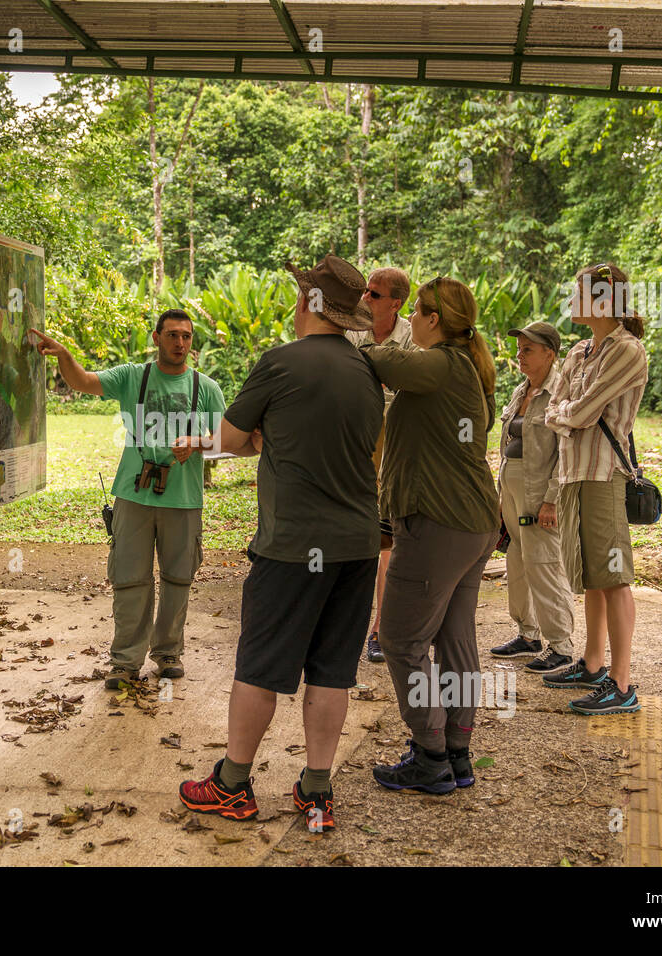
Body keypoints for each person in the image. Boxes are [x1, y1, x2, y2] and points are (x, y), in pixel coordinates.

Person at [176, 255, 383, 832]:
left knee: (261, 667)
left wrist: (215, 438)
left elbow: (236, 437)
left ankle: (232, 783)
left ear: (310, 306)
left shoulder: (281, 362)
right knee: (332, 671)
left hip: (293, 545)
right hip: (358, 543)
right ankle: (318, 789)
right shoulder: (367, 370)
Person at [31, 310, 226, 689]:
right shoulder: (132, 376)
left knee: (177, 580)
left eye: (186, 337)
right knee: (130, 579)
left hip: (184, 500)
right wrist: (65, 355)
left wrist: (199, 443)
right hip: (133, 495)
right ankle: (124, 661)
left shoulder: (207, 388)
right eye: (172, 335)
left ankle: (168, 653)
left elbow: (233, 440)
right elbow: (84, 381)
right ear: (156, 338)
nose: (180, 343)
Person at [363, 276, 501, 795]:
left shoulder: (443, 363)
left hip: (439, 524)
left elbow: (385, 361)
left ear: (434, 319)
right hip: (472, 524)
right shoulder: (464, 367)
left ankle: (430, 754)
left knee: (400, 639)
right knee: (454, 638)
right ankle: (458, 752)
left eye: (416, 312)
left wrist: (353, 336)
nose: (411, 322)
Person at [542, 263, 648, 715]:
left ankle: (621, 685)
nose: (571, 298)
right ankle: (592, 663)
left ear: (603, 300)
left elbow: (580, 413)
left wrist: (564, 412)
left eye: (579, 292)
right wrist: (565, 412)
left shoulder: (627, 350)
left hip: (604, 474)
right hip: (572, 473)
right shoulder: (580, 350)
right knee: (589, 576)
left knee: (614, 576)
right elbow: (554, 406)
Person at [490, 321, 577, 674]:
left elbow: (566, 451)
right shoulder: (521, 390)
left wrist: (552, 499)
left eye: (528, 349)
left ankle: (561, 645)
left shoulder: (561, 393)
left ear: (549, 354)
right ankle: (528, 634)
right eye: (519, 348)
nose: (519, 355)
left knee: (543, 563)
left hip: (538, 488)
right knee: (517, 559)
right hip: (511, 485)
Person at [347, 267, 414, 665]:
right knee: (357, 531)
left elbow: (408, 388)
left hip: (399, 440)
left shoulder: (413, 336)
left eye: (374, 294)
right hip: (356, 436)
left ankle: (382, 629)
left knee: (389, 536)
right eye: (364, 292)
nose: (365, 299)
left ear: (396, 303)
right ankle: (352, 625)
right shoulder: (352, 330)